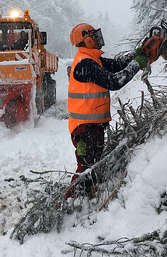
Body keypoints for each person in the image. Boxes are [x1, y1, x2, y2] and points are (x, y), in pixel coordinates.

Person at [65, 23, 156, 199]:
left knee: (90, 165)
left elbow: (116, 65)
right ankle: (72, 201)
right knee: (86, 168)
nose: (99, 39)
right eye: (94, 36)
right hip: (85, 129)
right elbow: (114, 81)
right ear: (88, 40)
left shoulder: (92, 60)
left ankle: (84, 198)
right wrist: (136, 65)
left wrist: (136, 54)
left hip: (90, 126)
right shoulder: (85, 64)